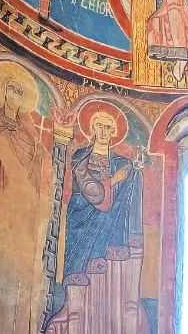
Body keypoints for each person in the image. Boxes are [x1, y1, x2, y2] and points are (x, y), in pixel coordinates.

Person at [45, 106, 151, 333]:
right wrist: (113, 181)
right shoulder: (79, 157)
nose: (103, 131)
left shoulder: (122, 163)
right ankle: (76, 316)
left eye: (108, 127)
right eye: (99, 126)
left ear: (114, 132)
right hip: (81, 222)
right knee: (80, 270)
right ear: (92, 129)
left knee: (108, 273)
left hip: (111, 230)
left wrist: (135, 172)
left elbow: (129, 190)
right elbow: (88, 189)